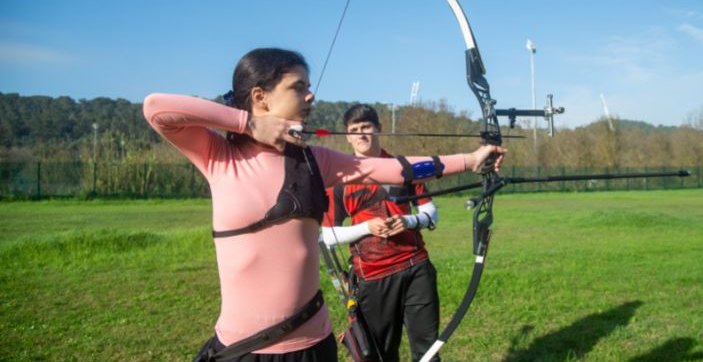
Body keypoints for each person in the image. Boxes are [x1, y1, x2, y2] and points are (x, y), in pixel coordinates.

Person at [142, 48, 505, 361]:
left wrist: (470, 160)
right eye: (298, 87)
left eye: (309, 86)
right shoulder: (220, 156)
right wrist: (249, 125)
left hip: (313, 342)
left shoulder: (316, 160)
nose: (311, 96)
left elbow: (396, 168)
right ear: (260, 96)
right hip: (245, 348)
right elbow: (157, 108)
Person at [320, 104, 443, 362]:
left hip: (415, 268)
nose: (361, 134)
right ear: (348, 136)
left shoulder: (404, 167)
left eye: (367, 127)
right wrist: (367, 228)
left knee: (429, 351)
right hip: (373, 277)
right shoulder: (340, 178)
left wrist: (409, 221)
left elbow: (431, 214)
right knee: (381, 355)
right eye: (354, 130)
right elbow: (327, 235)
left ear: (379, 129)